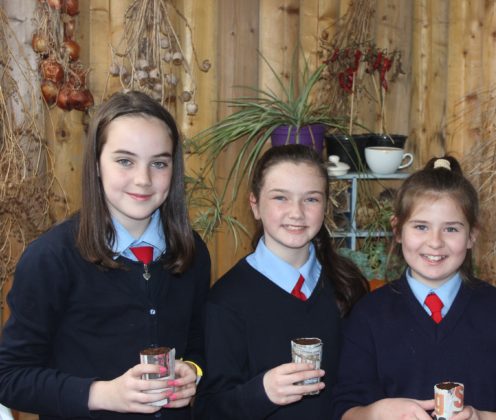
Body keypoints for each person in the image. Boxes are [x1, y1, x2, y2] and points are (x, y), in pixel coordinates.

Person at [0, 91, 211, 419]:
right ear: (97, 165)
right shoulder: (51, 258)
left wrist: (192, 372)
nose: (143, 179)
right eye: (125, 161)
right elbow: (9, 377)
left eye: (159, 163)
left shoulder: (191, 251)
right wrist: (103, 394)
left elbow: (199, 346)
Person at [333, 156, 496, 420]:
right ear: (397, 230)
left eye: (451, 229)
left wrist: (482, 418)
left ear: (472, 235)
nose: (435, 242)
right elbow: (343, 410)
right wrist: (375, 413)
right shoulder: (368, 316)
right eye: (421, 227)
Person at [193, 144, 370, 419]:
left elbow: (362, 384)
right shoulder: (226, 301)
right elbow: (209, 409)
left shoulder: (349, 285)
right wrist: (261, 392)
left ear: (326, 205)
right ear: (255, 205)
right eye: (280, 198)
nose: (296, 213)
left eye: (311, 199)